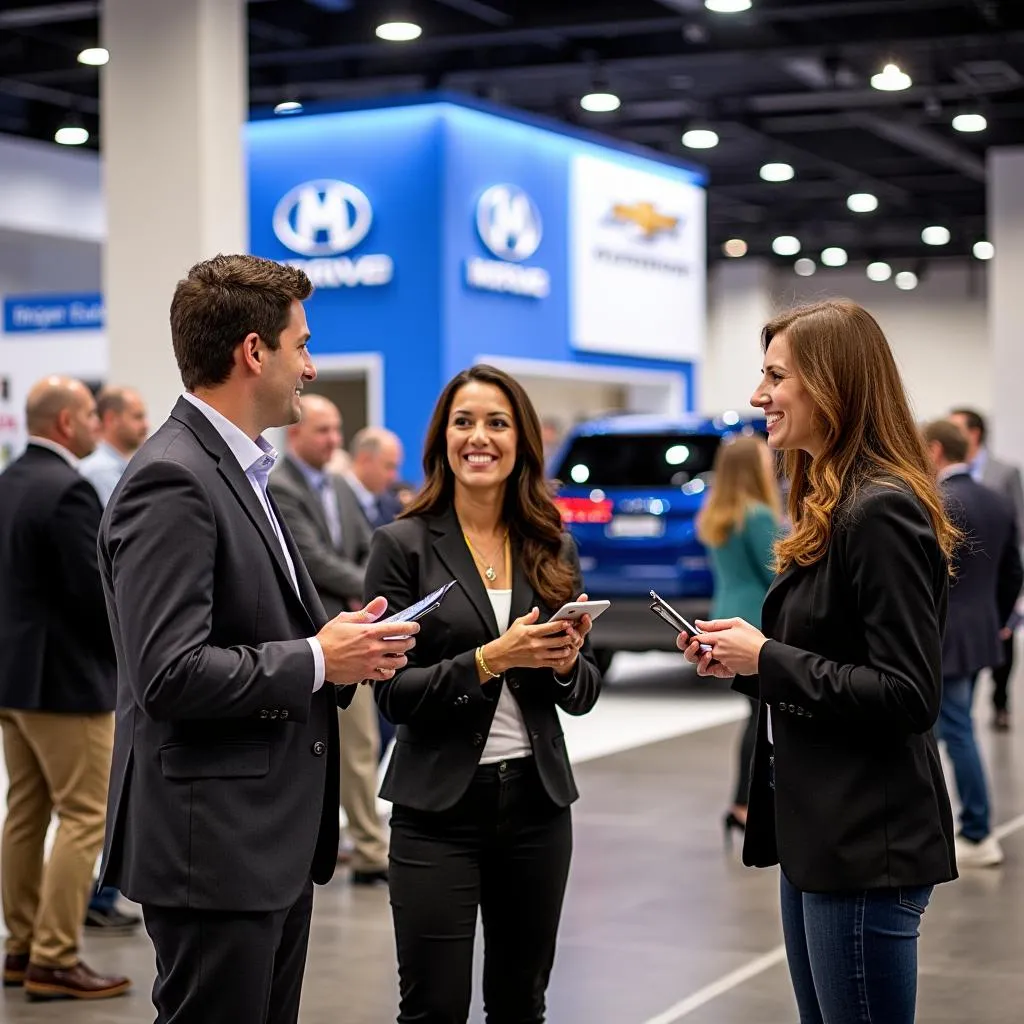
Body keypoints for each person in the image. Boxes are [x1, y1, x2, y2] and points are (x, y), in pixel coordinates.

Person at [96, 254, 420, 1024]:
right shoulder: (174, 478)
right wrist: (317, 657)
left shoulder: (236, 471)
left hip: (258, 843)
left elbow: (245, 630)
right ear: (253, 351)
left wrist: (337, 645)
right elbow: (169, 672)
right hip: (214, 849)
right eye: (301, 345)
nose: (309, 367)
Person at [680, 300, 957, 1024]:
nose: (757, 395)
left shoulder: (879, 510)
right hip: (821, 834)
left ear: (832, 385)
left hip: (864, 842)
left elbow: (906, 693)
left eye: (775, 376)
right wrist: (742, 662)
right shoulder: (832, 505)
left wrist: (766, 656)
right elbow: (831, 659)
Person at [364, 363, 602, 1023]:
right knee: (433, 1006)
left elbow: (581, 694)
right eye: (464, 422)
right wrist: (488, 660)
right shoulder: (401, 546)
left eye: (497, 423)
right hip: (436, 810)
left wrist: (562, 661)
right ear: (443, 438)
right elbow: (394, 696)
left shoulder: (550, 546)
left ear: (521, 440)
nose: (480, 437)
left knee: (521, 1005)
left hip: (538, 807)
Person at [0, 377, 131, 1001]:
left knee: (26, 811)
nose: (92, 423)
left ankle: (20, 948)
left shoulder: (8, 482)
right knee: (85, 816)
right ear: (64, 425)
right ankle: (54, 957)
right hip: (64, 684)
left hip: (12, 681)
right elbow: (92, 596)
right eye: (85, 414)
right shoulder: (69, 490)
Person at [270, 394, 389, 885]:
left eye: (337, 430)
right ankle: (355, 845)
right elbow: (312, 559)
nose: (334, 440)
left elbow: (367, 544)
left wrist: (372, 586)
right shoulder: (279, 485)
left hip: (350, 629)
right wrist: (368, 586)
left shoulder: (339, 486)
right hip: (305, 638)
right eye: (323, 430)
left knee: (361, 745)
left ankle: (367, 848)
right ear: (295, 434)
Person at [923, 419, 1022, 867]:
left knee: (956, 730)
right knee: (956, 727)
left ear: (937, 451)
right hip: (981, 631)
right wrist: (1001, 620)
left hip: (945, 634)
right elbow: (1013, 571)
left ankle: (978, 831)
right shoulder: (997, 501)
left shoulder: (939, 502)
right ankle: (968, 825)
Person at [78, 384, 148, 933]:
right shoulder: (109, 478)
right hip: (101, 662)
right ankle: (98, 899)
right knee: (92, 796)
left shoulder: (121, 471)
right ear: (108, 419)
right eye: (136, 414)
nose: (145, 422)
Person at [695, 435, 781, 846]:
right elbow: (776, 575)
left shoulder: (717, 514)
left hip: (724, 611)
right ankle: (745, 805)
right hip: (755, 621)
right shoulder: (758, 515)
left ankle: (740, 804)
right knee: (759, 718)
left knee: (753, 716)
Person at [949, 407, 1024, 731]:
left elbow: (1016, 526)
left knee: (1001, 645)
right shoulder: (943, 477)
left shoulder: (1003, 472)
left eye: (956, 428)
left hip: (994, 576)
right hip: (963, 581)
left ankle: (1000, 701)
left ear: (974, 432)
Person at [79, 385, 149, 506]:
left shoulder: (119, 467)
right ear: (110, 419)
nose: (145, 425)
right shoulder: (101, 470)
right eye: (137, 417)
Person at [347, 426, 404, 528]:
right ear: (364, 460)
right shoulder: (335, 501)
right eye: (389, 467)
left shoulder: (390, 506)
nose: (394, 476)